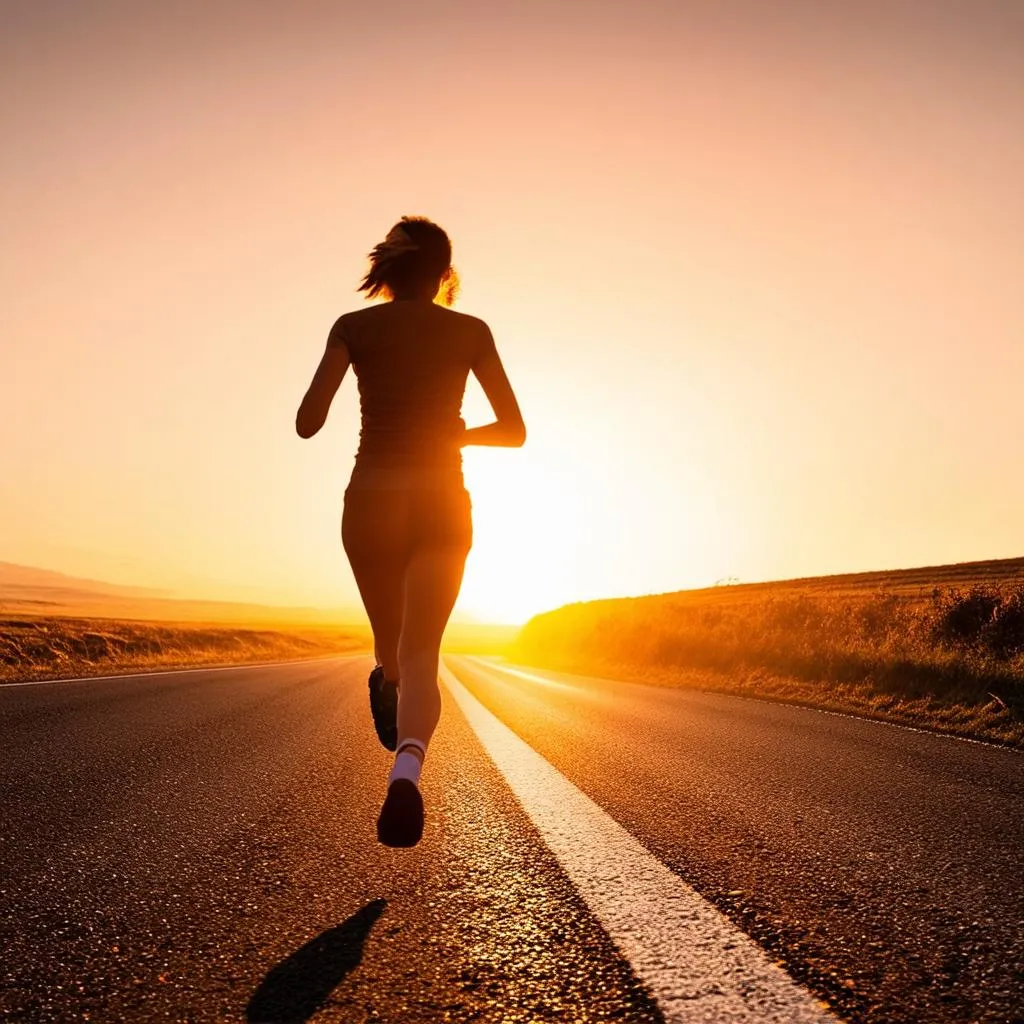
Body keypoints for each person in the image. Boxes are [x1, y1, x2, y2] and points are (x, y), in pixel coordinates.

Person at [295, 216, 526, 848]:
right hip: (441, 500)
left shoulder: (353, 327)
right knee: (424, 652)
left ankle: (386, 682)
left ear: (386, 270)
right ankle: (407, 769)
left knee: (392, 650)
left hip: (371, 498)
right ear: (445, 275)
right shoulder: (471, 331)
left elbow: (307, 424)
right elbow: (514, 429)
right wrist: (458, 432)